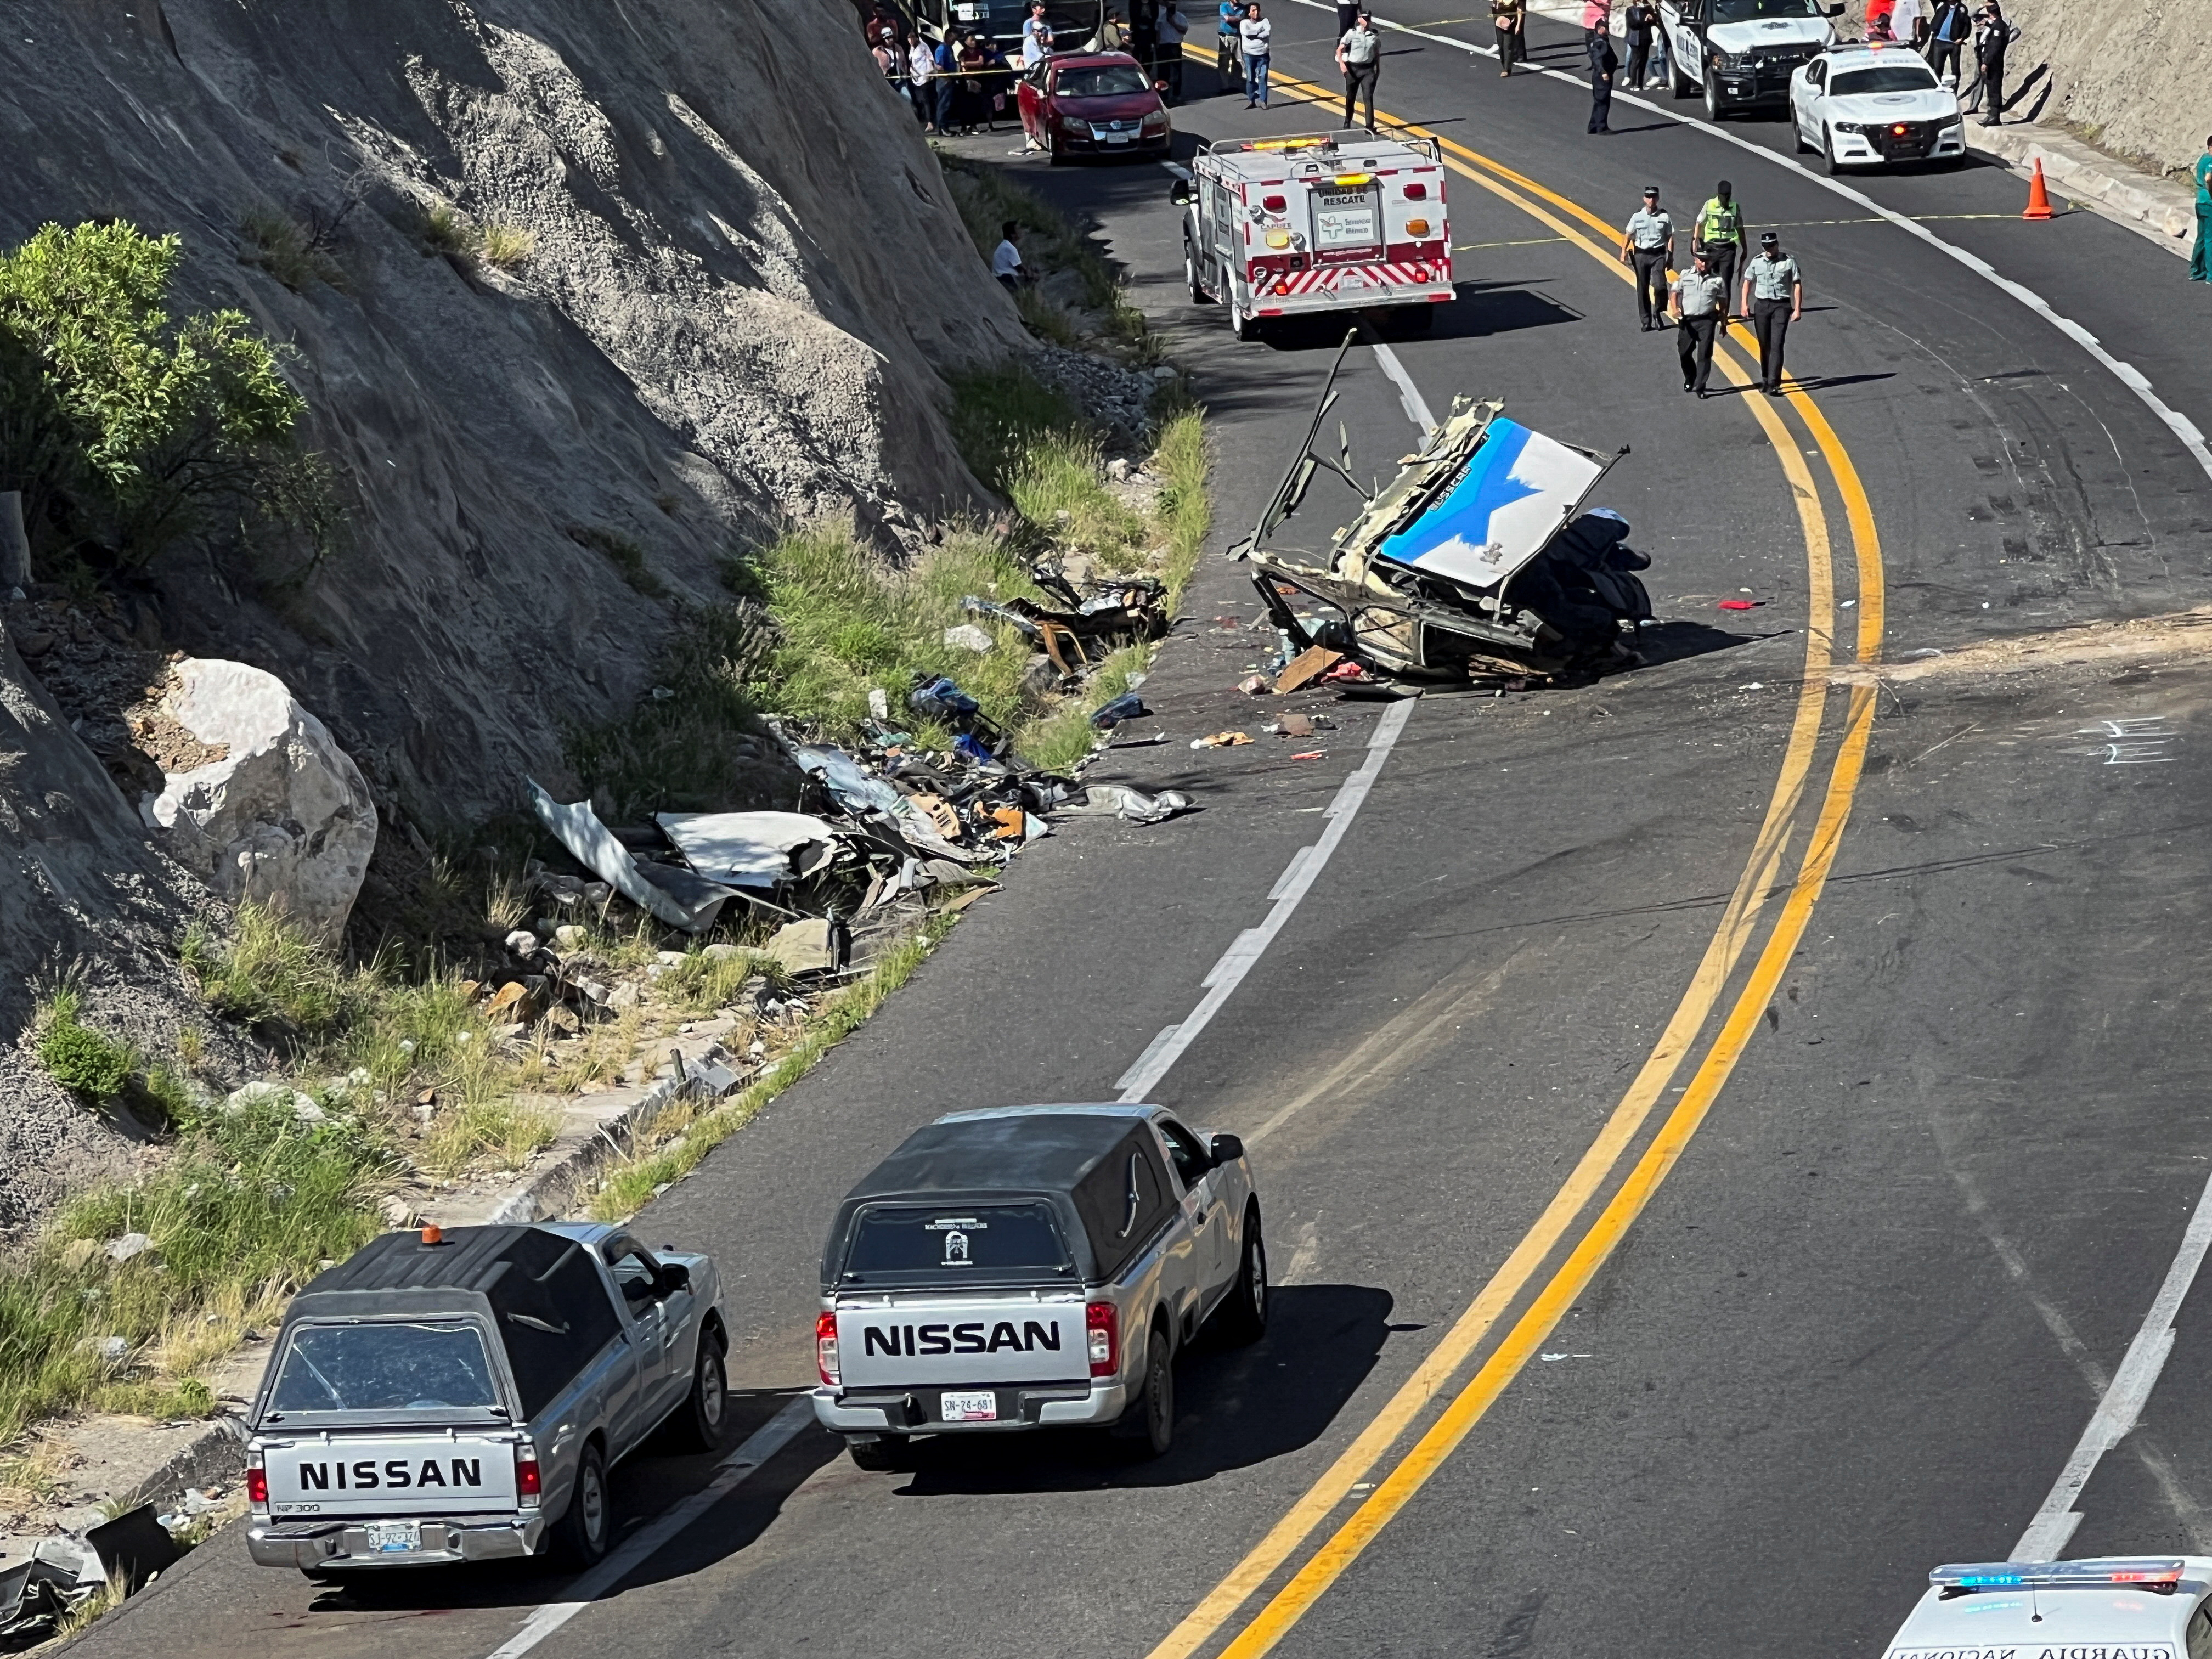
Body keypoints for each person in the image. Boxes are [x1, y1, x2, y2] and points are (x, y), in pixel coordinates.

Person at [1740, 229, 1802, 394]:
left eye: (1771, 246)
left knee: (1777, 344)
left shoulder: (1788, 262)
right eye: (1766, 246)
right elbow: (1748, 282)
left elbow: (1797, 284)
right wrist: (1744, 304)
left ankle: (1775, 383)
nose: (1768, 249)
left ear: (1777, 245)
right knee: (1764, 344)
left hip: (1781, 307)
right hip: (1762, 306)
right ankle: (1766, 379)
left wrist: (1797, 309)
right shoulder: (1757, 261)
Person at [1672, 245, 1727, 397]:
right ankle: (1691, 377)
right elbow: (1675, 292)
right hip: (1688, 321)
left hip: (1707, 321)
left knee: (1704, 354)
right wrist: (1675, 309)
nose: (1704, 264)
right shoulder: (1685, 275)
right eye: (1701, 260)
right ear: (1695, 260)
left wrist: (1723, 322)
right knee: (1684, 352)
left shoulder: (1717, 280)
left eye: (1707, 261)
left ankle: (1700, 386)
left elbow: (1722, 302)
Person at [1617, 184, 1674, 330]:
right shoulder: (1637, 216)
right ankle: (1646, 320)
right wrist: (1623, 252)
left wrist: (1671, 257)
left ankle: (1657, 312)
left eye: (1654, 197)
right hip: (1641, 255)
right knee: (1642, 287)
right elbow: (1629, 234)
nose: (1651, 200)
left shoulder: (1664, 216)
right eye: (1648, 197)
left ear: (1658, 199)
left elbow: (1669, 237)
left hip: (1658, 255)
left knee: (1660, 286)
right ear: (1644, 198)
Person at [1695, 180, 1745, 319]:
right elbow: (1699, 222)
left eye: (1728, 195)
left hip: (1728, 248)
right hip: (1711, 247)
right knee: (1710, 278)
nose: (1726, 198)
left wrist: (1745, 248)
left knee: (1725, 281)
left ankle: (1724, 315)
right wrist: (1696, 242)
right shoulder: (1710, 204)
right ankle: (1709, 309)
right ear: (1719, 194)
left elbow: (1740, 228)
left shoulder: (1735, 207)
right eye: (1724, 195)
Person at [1338, 10, 1381, 129]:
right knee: (1351, 96)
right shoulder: (1352, 33)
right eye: (1364, 19)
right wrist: (1342, 65)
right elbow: (1340, 49)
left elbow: (1377, 54)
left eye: (1368, 19)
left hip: (1368, 70)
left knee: (1368, 97)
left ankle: (1370, 126)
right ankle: (1348, 121)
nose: (1367, 22)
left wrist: (1377, 70)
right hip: (1353, 69)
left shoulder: (1373, 37)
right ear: (1359, 20)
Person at [1972, 0, 2007, 124]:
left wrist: (1986, 62)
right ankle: (1991, 115)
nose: (1989, 15)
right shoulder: (1993, 25)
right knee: (1990, 89)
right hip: (1991, 61)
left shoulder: (1999, 26)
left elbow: (1995, 47)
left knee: (1994, 89)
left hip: (1995, 63)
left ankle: (1995, 116)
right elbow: (1973, 15)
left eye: (1991, 12)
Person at [1924, 0, 1968, 84]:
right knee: (1937, 68)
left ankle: (1954, 90)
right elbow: (1937, 19)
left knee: (1955, 69)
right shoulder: (1942, 6)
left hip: (1954, 43)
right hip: (1939, 42)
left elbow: (1966, 25)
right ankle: (1937, 87)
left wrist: (1962, 38)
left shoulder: (1962, 9)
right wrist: (1933, 30)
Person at [1240, 2, 1272, 106]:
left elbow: (1266, 34)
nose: (1256, 12)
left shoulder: (1265, 21)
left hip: (1263, 54)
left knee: (1263, 77)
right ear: (1249, 13)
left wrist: (1255, 35)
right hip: (1249, 54)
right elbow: (1247, 34)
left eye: (1258, 10)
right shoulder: (1244, 23)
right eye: (1253, 10)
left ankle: (1263, 100)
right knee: (1250, 78)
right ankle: (1251, 98)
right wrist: (1259, 31)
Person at [1586, 26, 1617, 133]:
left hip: (1600, 75)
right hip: (1602, 76)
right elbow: (1597, 59)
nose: (1608, 29)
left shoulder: (1600, 41)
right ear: (1600, 29)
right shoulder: (1599, 43)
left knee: (1599, 101)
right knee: (1602, 101)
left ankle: (1594, 126)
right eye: (1606, 27)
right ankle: (1601, 127)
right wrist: (1604, 72)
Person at [1623, 0, 1657, 91]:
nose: (1641, 2)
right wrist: (1645, 21)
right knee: (1636, 61)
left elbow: (1654, 21)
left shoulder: (1648, 9)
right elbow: (1633, 24)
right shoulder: (1630, 10)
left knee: (1643, 61)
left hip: (1646, 39)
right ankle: (1634, 84)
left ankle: (1641, 84)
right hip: (1635, 39)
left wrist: (1652, 18)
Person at [2193, 134, 2212, 284]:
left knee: (2201, 238)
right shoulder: (2211, 160)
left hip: (2200, 202)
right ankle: (2211, 275)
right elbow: (2208, 178)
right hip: (2209, 203)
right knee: (2210, 239)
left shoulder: (2203, 158)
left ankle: (2196, 271)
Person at [907, 36, 937, 128]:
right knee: (920, 100)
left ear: (916, 38)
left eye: (912, 37)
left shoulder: (923, 47)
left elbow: (931, 60)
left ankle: (930, 122)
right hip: (916, 78)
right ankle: (925, 120)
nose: (911, 40)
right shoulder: (912, 48)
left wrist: (929, 73)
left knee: (927, 100)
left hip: (925, 77)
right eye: (909, 38)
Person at [993, 222, 1030, 292]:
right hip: (1005, 278)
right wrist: (1027, 272)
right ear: (1013, 235)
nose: (1021, 232)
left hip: (1000, 275)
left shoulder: (1005, 245)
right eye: (1018, 230)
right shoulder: (1010, 248)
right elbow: (1019, 268)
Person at [1491, 0, 1525, 73]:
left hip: (1511, 24)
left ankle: (1507, 69)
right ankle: (1504, 65)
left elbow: (1520, 12)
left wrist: (1518, 26)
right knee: (1501, 45)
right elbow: (1494, 8)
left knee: (1508, 45)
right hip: (1499, 24)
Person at [1218, 0, 1244, 89]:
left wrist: (1234, 18)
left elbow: (1241, 17)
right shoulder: (1224, 6)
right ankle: (1224, 85)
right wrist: (1238, 19)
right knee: (1224, 61)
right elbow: (1227, 18)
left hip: (1237, 36)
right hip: (1225, 36)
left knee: (1238, 61)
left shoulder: (1242, 8)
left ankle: (1235, 84)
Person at [1022, 0, 1054, 66]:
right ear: (1034, 9)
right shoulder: (1028, 24)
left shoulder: (1047, 23)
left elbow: (1050, 41)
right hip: (1034, 60)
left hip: (1046, 54)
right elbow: (1028, 45)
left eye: (1044, 7)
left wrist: (1046, 43)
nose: (1044, 10)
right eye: (1041, 8)